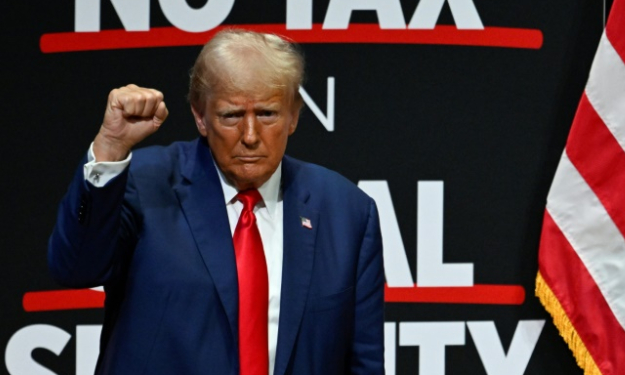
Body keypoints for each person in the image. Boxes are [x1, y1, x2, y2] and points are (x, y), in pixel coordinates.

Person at [48, 29, 384, 375]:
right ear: (200, 116)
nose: (250, 136)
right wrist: (110, 147)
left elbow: (364, 362)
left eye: (267, 114)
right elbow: (74, 268)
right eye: (231, 116)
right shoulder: (145, 184)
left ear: (294, 115)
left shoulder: (347, 212)